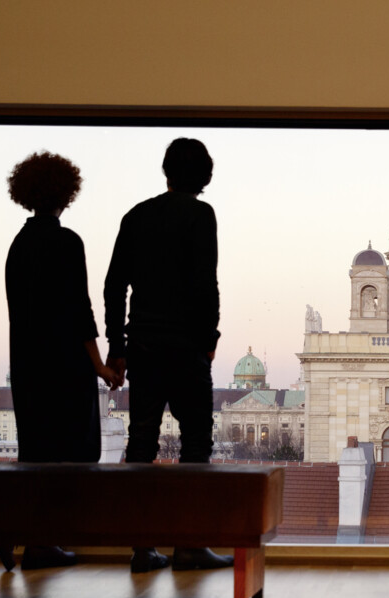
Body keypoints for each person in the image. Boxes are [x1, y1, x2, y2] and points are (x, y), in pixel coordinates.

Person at [103, 138, 232, 573]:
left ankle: (142, 548)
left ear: (166, 171)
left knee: (141, 443)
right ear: (205, 175)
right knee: (196, 444)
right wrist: (209, 338)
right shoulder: (201, 215)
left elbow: (113, 285)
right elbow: (205, 282)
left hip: (142, 346)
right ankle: (190, 545)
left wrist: (116, 346)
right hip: (186, 345)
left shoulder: (136, 216)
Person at [0, 151, 119, 571]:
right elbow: (79, 312)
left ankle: (30, 536)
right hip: (65, 367)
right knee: (71, 454)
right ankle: (38, 541)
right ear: (66, 193)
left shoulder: (18, 245)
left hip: (29, 367)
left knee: (36, 453)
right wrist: (101, 366)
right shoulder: (67, 242)